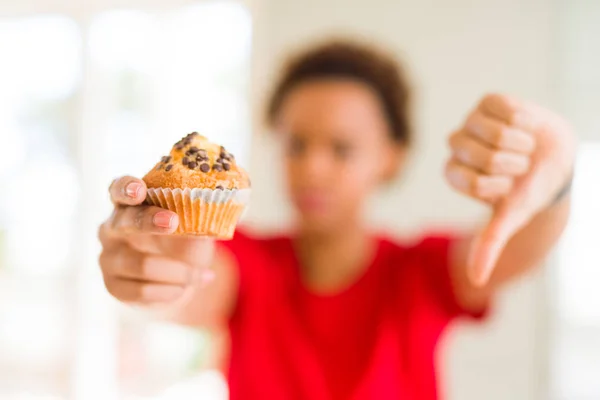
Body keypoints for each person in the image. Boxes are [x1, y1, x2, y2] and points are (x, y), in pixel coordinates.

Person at [98, 40, 575, 400]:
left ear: (391, 156)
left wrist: (555, 183)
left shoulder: (419, 272)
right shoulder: (248, 262)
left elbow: (514, 246)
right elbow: (191, 280)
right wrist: (153, 262)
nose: (312, 169)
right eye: (296, 145)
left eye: (341, 149)